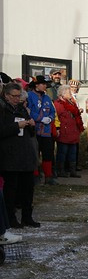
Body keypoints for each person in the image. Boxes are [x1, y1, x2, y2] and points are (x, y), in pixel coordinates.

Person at [0, 81, 41, 227]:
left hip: (25, 154)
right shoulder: (3, 109)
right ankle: (10, 218)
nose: (17, 99)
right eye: (14, 96)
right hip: (10, 155)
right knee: (11, 190)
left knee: (28, 189)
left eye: (19, 96)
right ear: (6, 95)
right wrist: (17, 125)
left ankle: (27, 217)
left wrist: (30, 124)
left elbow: (31, 133)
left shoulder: (21, 108)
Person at [27, 74, 57, 185]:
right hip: (34, 130)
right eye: (43, 84)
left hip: (46, 131)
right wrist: (40, 118)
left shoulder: (47, 97)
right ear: (36, 85)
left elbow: (53, 111)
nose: (45, 86)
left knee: (48, 154)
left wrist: (49, 118)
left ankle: (48, 176)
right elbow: (28, 110)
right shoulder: (29, 96)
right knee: (34, 153)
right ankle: (35, 177)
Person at [55, 85, 84, 177]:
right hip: (64, 131)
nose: (70, 94)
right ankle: (61, 170)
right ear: (62, 94)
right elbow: (56, 117)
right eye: (68, 92)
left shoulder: (71, 103)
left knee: (72, 152)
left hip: (73, 130)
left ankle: (72, 170)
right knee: (62, 152)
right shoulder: (58, 104)